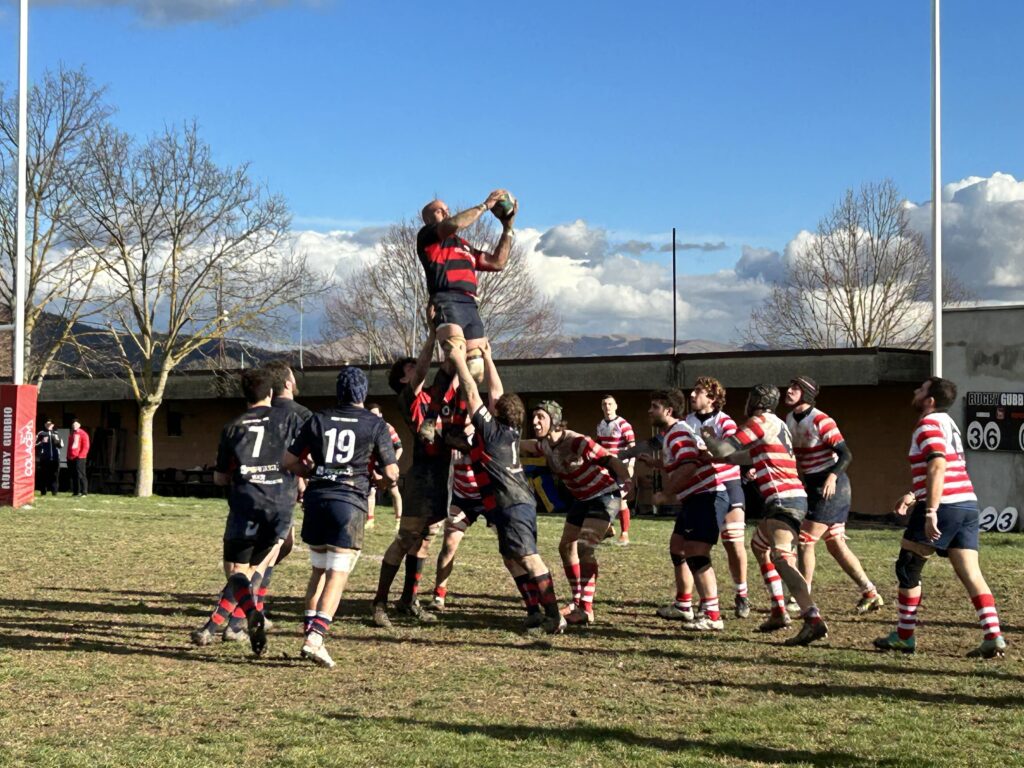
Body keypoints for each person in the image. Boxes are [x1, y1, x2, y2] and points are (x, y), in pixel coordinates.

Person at [874, 376, 1007, 658]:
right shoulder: (948, 423)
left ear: (930, 400)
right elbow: (945, 467)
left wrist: (931, 511)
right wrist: (914, 494)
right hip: (967, 504)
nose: (915, 391)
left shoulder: (927, 424)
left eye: (920, 389)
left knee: (908, 566)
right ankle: (993, 635)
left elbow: (937, 465)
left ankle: (905, 637)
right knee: (971, 573)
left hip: (944, 505)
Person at [283, 367, 400, 668]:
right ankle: (316, 638)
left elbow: (288, 460)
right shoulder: (375, 424)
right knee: (338, 572)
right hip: (347, 501)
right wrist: (381, 482)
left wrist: (310, 473)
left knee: (318, 571)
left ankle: (309, 633)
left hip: (317, 499)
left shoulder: (318, 418)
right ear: (362, 393)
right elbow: (391, 471)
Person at [447, 341, 566, 633]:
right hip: (513, 503)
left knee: (528, 557)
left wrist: (459, 360)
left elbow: (474, 393)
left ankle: (553, 616)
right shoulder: (510, 430)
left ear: (496, 414)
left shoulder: (491, 431)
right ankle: (533, 611)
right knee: (510, 557)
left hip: (512, 504)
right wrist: (488, 358)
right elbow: (497, 394)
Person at [191, 368, 306, 657]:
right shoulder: (289, 420)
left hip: (245, 505)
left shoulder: (232, 427)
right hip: (279, 506)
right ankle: (236, 622)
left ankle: (227, 623)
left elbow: (219, 478)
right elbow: (302, 460)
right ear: (271, 393)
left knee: (236, 572)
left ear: (245, 397)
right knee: (256, 569)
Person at [703, 384, 829, 646]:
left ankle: (811, 617)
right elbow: (744, 456)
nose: (746, 403)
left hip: (784, 499)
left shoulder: (759, 421)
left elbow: (725, 450)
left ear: (757, 401)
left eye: (749, 398)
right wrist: (713, 458)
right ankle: (778, 610)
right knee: (759, 545)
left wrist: (706, 437)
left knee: (781, 557)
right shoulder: (777, 424)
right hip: (788, 497)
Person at [371, 320, 461, 628]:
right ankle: (379, 603)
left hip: (443, 474)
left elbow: (451, 367)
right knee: (406, 538)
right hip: (422, 476)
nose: (415, 366)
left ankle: (408, 600)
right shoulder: (408, 398)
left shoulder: (437, 395)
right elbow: (424, 369)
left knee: (426, 540)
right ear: (402, 379)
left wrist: (457, 335)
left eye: (415, 364)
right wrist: (432, 334)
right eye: (409, 367)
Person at [522, 402, 632, 625]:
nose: (535, 422)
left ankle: (586, 609)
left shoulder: (577, 441)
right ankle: (577, 600)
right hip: (581, 499)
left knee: (584, 547)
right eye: (533, 417)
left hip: (604, 495)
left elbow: (609, 459)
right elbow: (519, 445)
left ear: (553, 420)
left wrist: (627, 481)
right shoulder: (544, 445)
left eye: (540, 417)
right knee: (565, 547)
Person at [784, 376, 883, 614]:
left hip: (832, 487)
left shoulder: (821, 419)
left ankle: (801, 596)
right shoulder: (789, 419)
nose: (788, 391)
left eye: (795, 388)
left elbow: (846, 454)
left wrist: (832, 477)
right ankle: (870, 592)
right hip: (814, 485)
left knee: (806, 539)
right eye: (790, 386)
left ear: (806, 393)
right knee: (836, 544)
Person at [417, 190, 516, 388]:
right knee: (456, 355)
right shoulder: (427, 236)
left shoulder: (465, 246)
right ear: (428, 218)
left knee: (476, 371)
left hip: (470, 304)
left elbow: (498, 262)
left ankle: (461, 414)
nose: (446, 213)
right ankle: (432, 414)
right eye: (439, 211)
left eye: (447, 209)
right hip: (447, 300)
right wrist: (485, 206)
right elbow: (454, 224)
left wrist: (507, 227)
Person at [685, 377, 750, 619]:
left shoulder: (725, 421)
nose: (692, 395)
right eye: (693, 391)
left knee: (733, 542)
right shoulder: (687, 422)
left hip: (728, 484)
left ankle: (741, 594)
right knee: (701, 545)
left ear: (712, 398)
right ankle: (706, 600)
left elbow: (733, 451)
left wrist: (710, 447)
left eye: (698, 391)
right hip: (701, 489)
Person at [636, 390, 696, 624]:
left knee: (696, 554)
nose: (650, 411)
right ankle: (684, 604)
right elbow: (680, 460)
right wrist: (656, 462)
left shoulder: (678, 432)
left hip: (701, 497)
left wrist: (666, 494)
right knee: (678, 548)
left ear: (668, 411)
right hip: (693, 499)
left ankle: (710, 612)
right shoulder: (672, 433)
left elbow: (690, 464)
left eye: (654, 406)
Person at [430, 439, 486, 611]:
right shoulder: (451, 436)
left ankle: (532, 601)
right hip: (461, 498)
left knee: (511, 549)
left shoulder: (485, 433)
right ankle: (439, 594)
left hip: (487, 497)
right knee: (449, 545)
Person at [595, 395, 635, 545]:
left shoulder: (623, 424)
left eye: (610, 404)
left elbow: (633, 448)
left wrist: (630, 466)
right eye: (604, 404)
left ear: (616, 406)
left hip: (620, 466)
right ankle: (609, 528)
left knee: (621, 500)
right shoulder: (600, 425)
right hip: (606, 467)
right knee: (603, 498)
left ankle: (625, 534)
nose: (607, 407)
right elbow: (598, 447)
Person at [366, 403, 403, 531]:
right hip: (372, 465)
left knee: (394, 490)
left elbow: (399, 447)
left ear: (381, 415)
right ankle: (370, 520)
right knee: (371, 491)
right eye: (372, 414)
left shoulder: (388, 428)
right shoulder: (366, 428)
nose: (374, 416)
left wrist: (393, 463)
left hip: (387, 465)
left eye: (377, 414)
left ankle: (398, 520)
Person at [35, 420, 63, 496]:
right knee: (44, 475)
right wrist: (42, 442)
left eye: (50, 424)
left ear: (53, 425)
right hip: (44, 458)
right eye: (47, 424)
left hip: (55, 458)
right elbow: (35, 444)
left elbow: (61, 445)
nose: (49, 425)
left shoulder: (56, 433)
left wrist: (57, 442)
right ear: (45, 425)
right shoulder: (41, 433)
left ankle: (55, 492)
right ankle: (43, 492)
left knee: (55, 475)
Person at [67, 420, 91, 497]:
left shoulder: (83, 434)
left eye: (76, 424)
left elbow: (86, 446)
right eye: (73, 424)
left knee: (81, 474)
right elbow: (70, 446)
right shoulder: (72, 434)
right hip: (71, 457)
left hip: (80, 457)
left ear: (79, 425)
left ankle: (84, 492)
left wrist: (81, 456)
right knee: (74, 475)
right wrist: (68, 456)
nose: (74, 426)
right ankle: (76, 491)